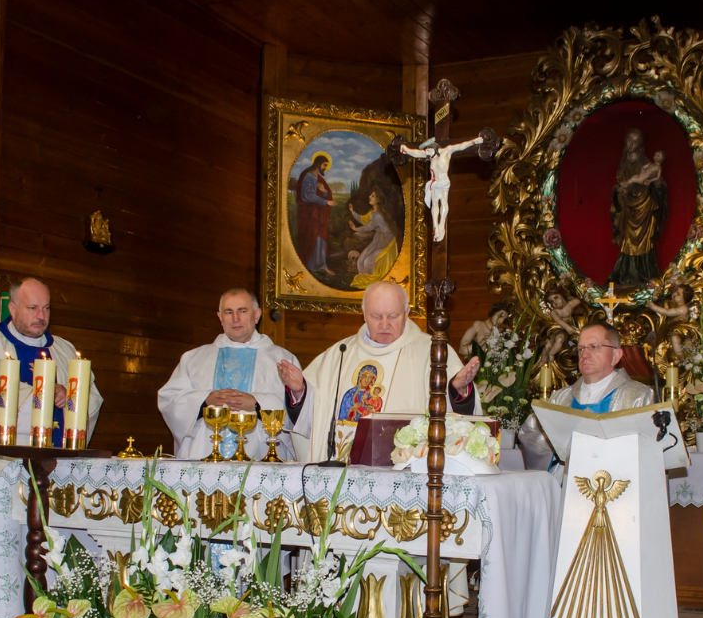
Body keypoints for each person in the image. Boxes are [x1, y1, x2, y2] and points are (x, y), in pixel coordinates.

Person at [0, 276, 102, 618]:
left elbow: (91, 398)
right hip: (1, 469)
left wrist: (70, 398)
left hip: (57, 470)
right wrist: (41, 390)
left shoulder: (65, 349)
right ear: (12, 308)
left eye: (47, 308)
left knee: (53, 549)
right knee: (3, 552)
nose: (41, 316)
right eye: (32, 308)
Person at [277, 280, 481, 464]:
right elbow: (315, 411)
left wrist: (458, 391)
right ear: (364, 314)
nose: (384, 325)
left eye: (393, 316)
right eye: (376, 316)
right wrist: (299, 391)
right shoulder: (340, 353)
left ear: (406, 313)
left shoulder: (433, 352)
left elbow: (458, 419)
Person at [159, 288, 300, 460]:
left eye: (242, 311)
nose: (235, 319)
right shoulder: (194, 358)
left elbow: (299, 407)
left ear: (256, 315)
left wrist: (256, 404)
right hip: (203, 455)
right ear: (220, 318)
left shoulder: (282, 359)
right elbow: (170, 400)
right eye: (228, 312)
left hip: (260, 455)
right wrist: (205, 400)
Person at [518, 321, 654, 477]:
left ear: (616, 355)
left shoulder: (638, 396)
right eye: (581, 348)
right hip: (568, 484)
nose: (584, 354)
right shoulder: (561, 398)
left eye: (594, 347)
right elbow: (531, 434)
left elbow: (648, 453)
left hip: (618, 487)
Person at [609, 130, 667, 286]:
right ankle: (625, 272)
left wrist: (657, 183)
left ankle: (644, 274)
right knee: (627, 238)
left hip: (644, 206)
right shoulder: (623, 163)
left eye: (635, 141)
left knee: (644, 240)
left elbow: (658, 187)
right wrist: (619, 190)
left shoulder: (647, 164)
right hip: (627, 207)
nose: (631, 144)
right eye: (628, 140)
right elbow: (620, 183)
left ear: (640, 145)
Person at [347, 190, 399, 288]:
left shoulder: (379, 216)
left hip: (386, 242)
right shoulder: (373, 213)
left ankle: (372, 285)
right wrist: (352, 212)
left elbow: (368, 227)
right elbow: (363, 219)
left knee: (368, 261)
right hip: (378, 239)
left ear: (378, 200)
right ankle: (367, 285)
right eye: (370, 195)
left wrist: (355, 229)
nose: (370, 197)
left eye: (373, 196)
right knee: (360, 260)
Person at [295, 153, 335, 276]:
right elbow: (307, 196)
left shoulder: (318, 178)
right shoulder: (308, 177)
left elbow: (326, 192)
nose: (325, 168)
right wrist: (325, 201)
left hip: (319, 215)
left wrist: (324, 193)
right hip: (310, 215)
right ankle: (310, 267)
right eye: (324, 165)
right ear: (318, 164)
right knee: (312, 238)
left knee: (321, 239)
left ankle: (322, 265)